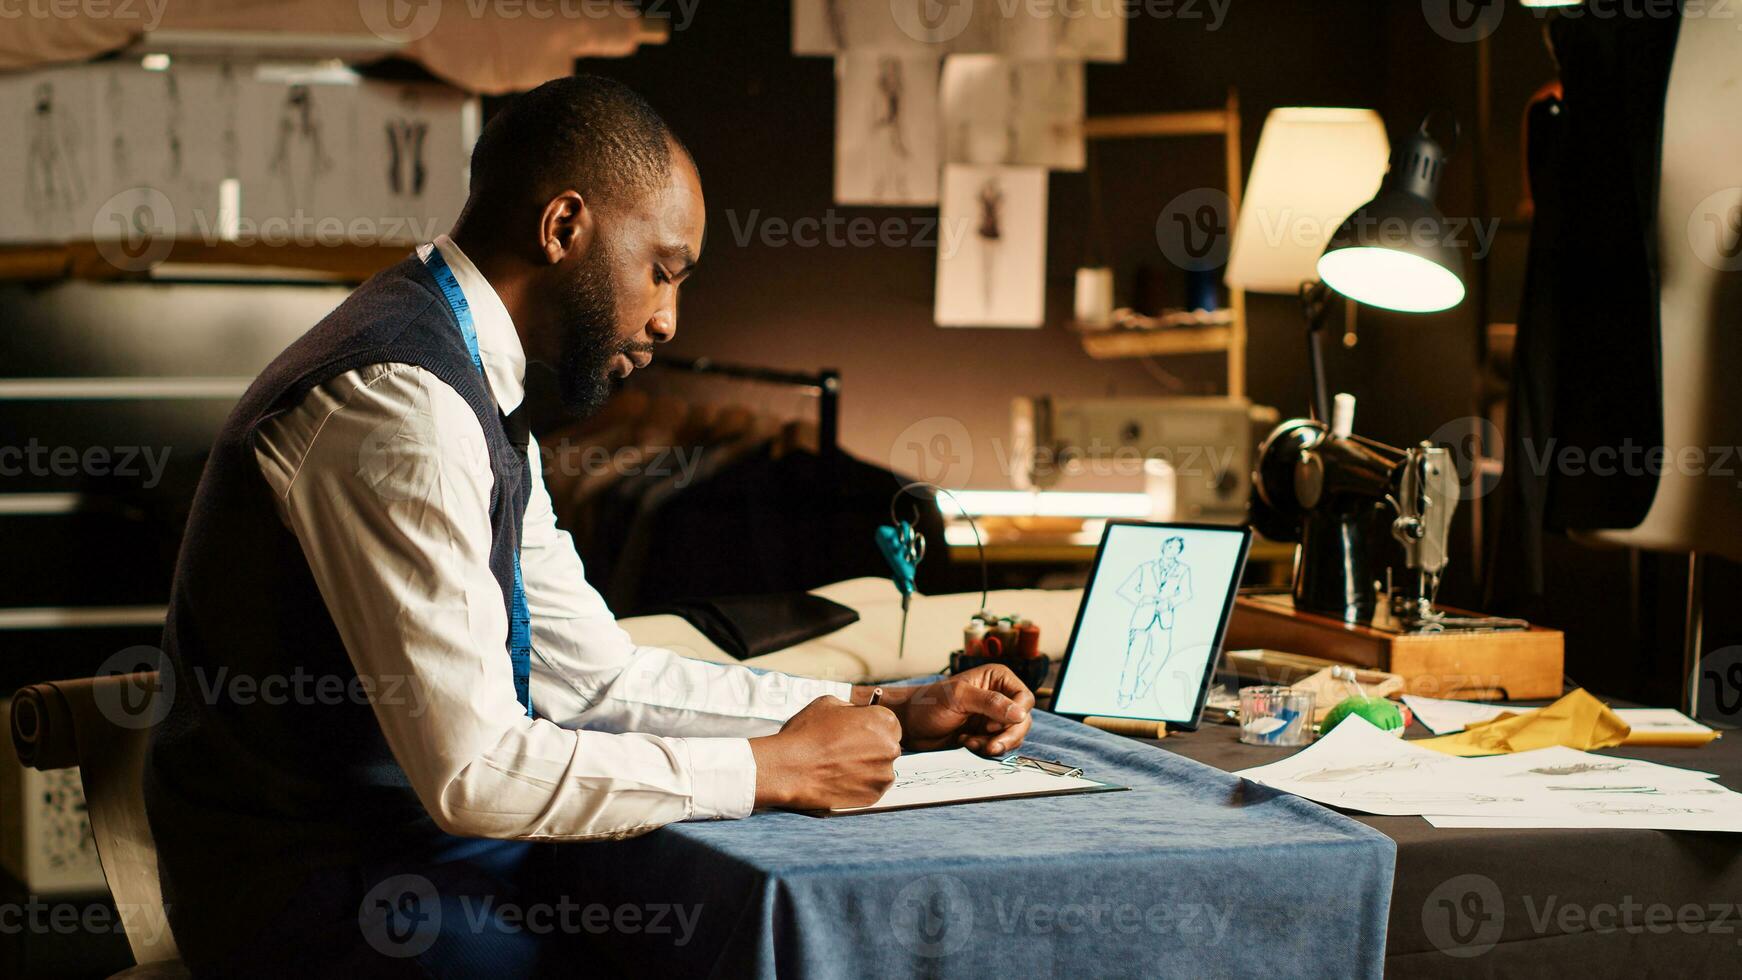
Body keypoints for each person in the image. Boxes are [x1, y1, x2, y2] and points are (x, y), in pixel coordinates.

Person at [144, 74, 1035, 976]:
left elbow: (593, 678)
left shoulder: (473, 379)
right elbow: (476, 773)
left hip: (409, 856)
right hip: (317, 898)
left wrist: (876, 706)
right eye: (662, 270)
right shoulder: (401, 407)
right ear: (564, 227)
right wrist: (770, 769)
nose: (666, 320)